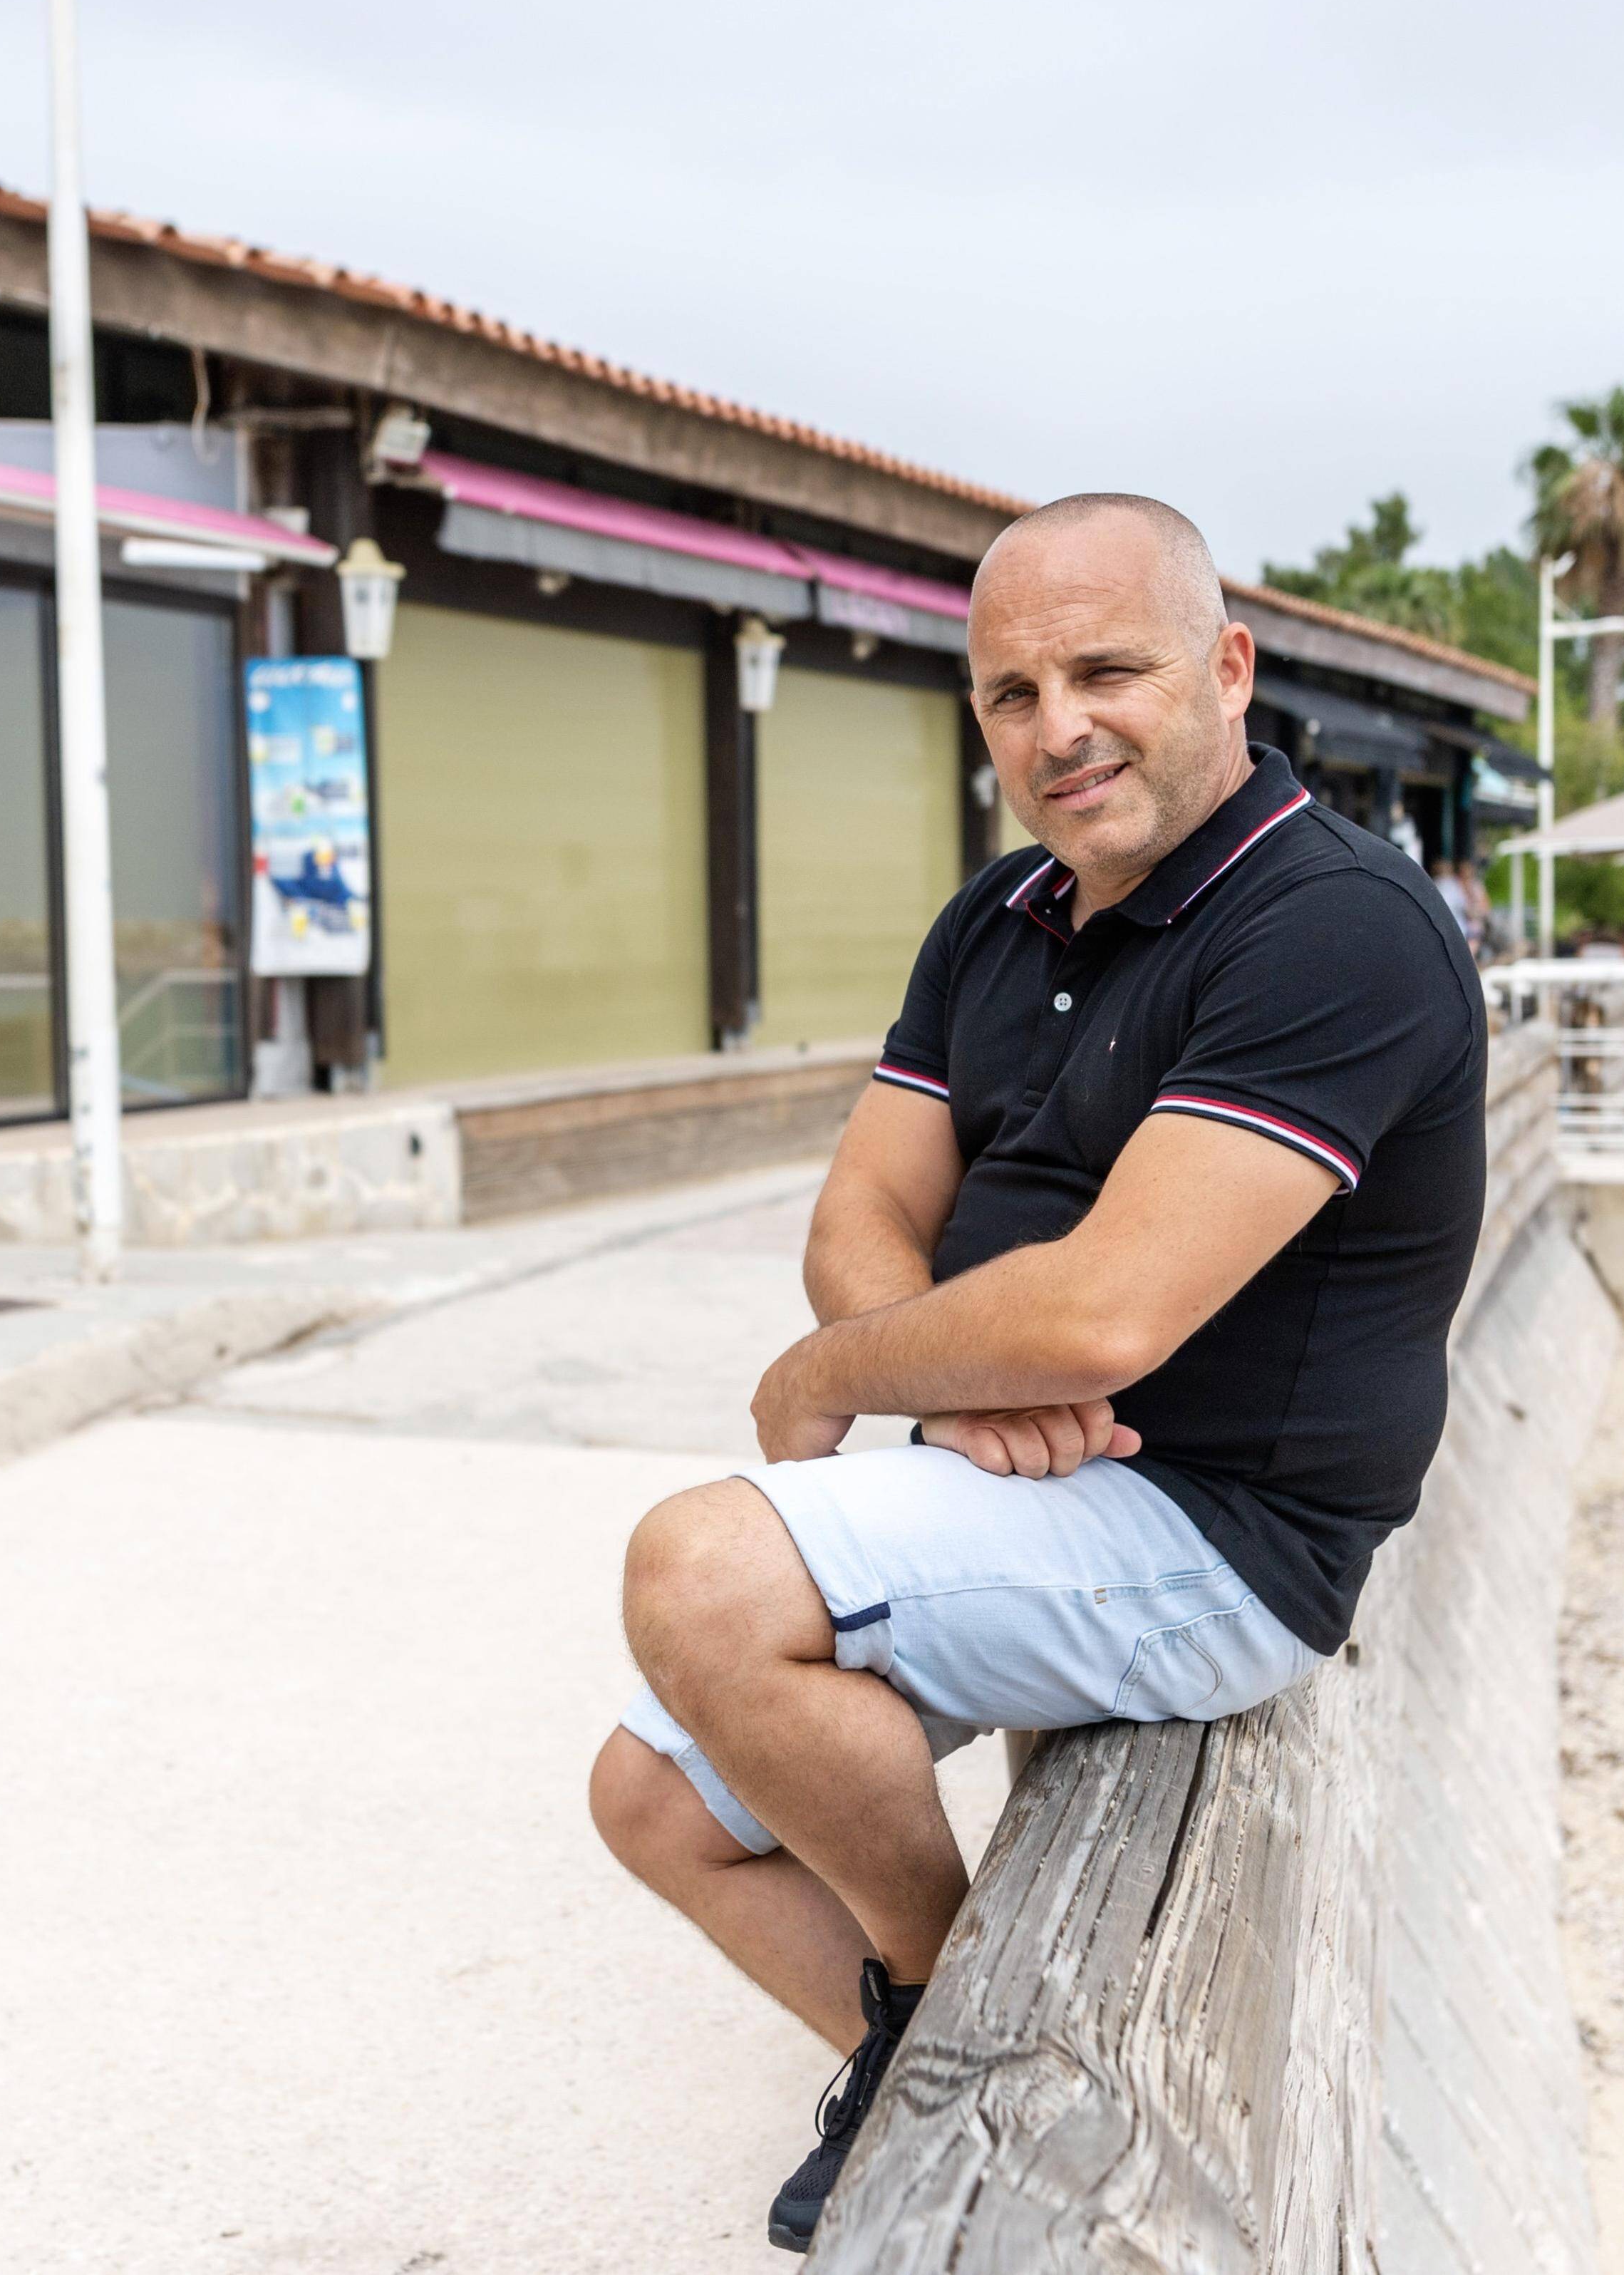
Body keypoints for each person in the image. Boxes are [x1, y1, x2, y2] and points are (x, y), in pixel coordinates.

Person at [587, 495, 1489, 2253]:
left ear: (1226, 669)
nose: (1057, 726)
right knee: (652, 1802)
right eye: (1011, 692)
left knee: (699, 1570)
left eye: (1105, 671)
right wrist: (956, 1376)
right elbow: (864, 1206)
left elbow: (1104, 1317)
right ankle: (933, 2036)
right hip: (1020, 1483)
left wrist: (852, 1365)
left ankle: (949, 2014)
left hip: (1216, 1533)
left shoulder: (1335, 925)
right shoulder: (998, 916)